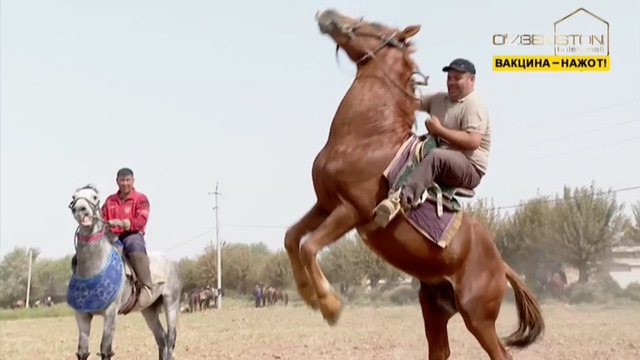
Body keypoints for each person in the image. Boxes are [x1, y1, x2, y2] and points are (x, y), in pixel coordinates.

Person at [400, 58, 491, 207]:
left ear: (471, 80)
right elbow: (410, 102)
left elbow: (473, 141)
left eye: (457, 78)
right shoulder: (439, 99)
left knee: (436, 156)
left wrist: (439, 130)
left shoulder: (473, 104)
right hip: (443, 160)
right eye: (449, 78)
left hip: (470, 167)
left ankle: (405, 199)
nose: (451, 82)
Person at [71, 167, 154, 307]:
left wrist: (123, 223)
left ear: (133, 181)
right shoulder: (110, 200)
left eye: (128, 180)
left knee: (135, 247)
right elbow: (100, 217)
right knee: (80, 255)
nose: (125, 183)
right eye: (122, 180)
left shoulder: (141, 199)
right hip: (110, 235)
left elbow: (141, 221)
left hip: (131, 235)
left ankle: (146, 286)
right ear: (117, 181)